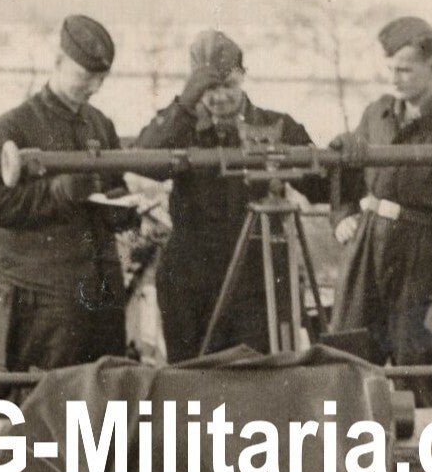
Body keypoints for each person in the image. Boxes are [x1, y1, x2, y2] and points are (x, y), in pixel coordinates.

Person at [135, 30, 328, 362]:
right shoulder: (181, 129)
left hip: (259, 283)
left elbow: (322, 187)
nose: (220, 97)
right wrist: (184, 104)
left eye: (229, 85)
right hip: (191, 283)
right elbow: (145, 159)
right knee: (191, 387)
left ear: (243, 77)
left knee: (260, 382)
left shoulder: (277, 125)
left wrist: (334, 154)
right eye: (209, 88)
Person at [329, 16, 432, 408]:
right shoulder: (377, 114)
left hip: (418, 264)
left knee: (415, 372)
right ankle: (347, 464)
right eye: (390, 69)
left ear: (431, 66)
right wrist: (343, 213)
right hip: (367, 252)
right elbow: (347, 165)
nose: (396, 79)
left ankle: (426, 466)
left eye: (405, 69)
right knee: (346, 361)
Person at [0, 14, 133, 371]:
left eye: (100, 79)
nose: (92, 87)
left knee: (109, 392)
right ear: (58, 62)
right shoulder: (14, 127)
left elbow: (112, 187)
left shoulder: (99, 124)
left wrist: (124, 207)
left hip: (102, 287)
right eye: (84, 77)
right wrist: (56, 192)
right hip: (46, 294)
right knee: (49, 402)